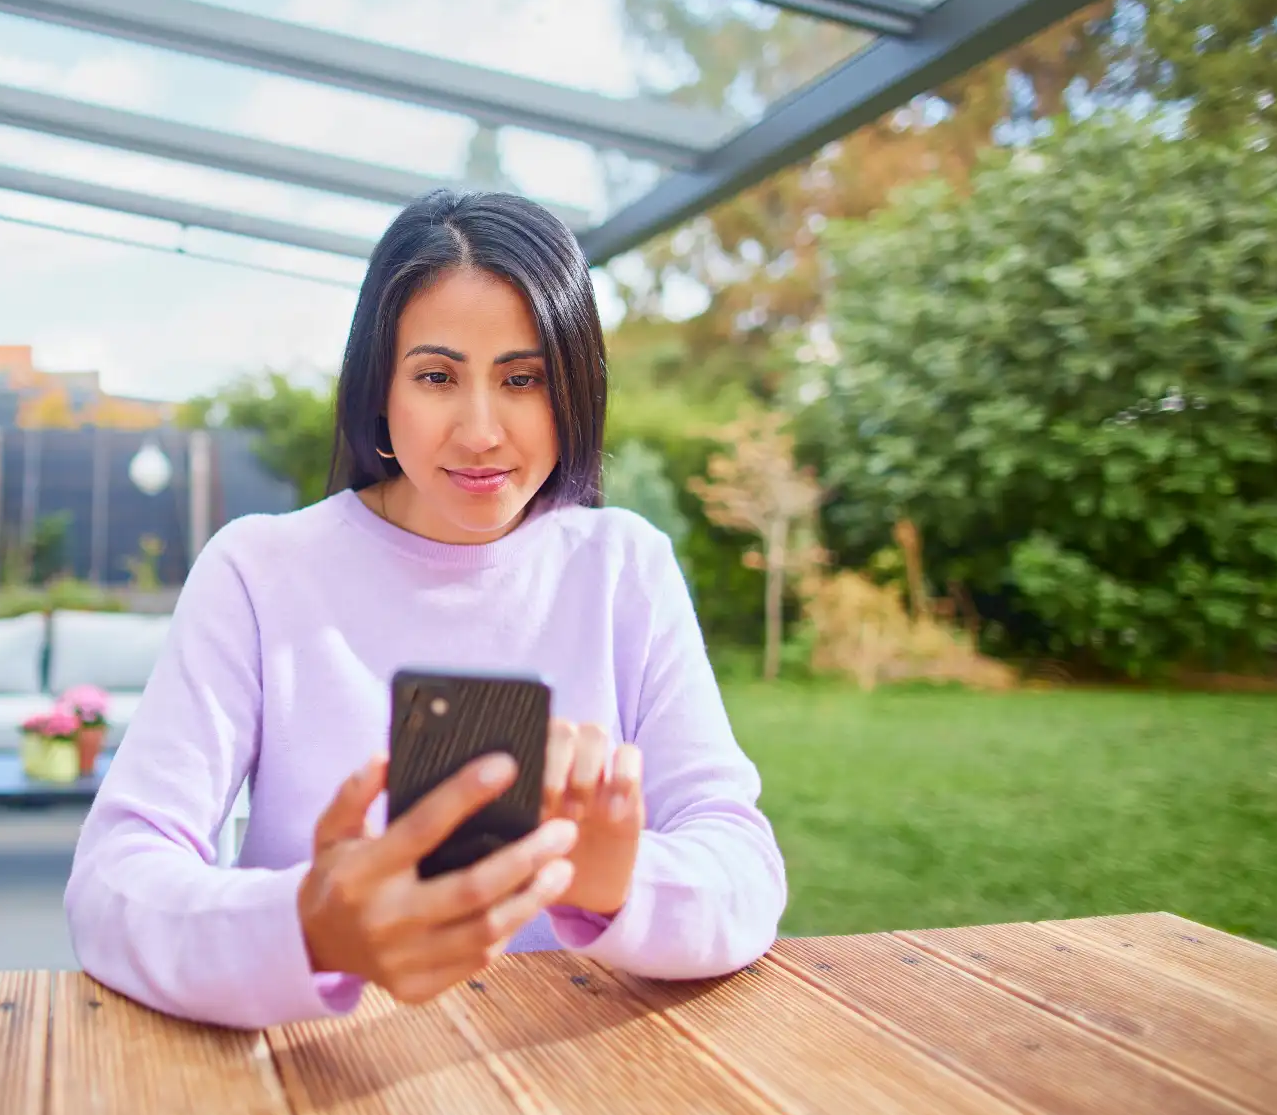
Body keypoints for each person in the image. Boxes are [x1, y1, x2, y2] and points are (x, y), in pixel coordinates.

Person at [64, 189, 786, 1029]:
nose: (481, 430)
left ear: (575, 390)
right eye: (438, 376)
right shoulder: (259, 571)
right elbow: (113, 879)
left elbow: (745, 866)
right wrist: (308, 924)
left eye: (524, 379)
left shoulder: (624, 568)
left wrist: (610, 875)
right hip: (313, 1078)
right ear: (381, 389)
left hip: (577, 1078)